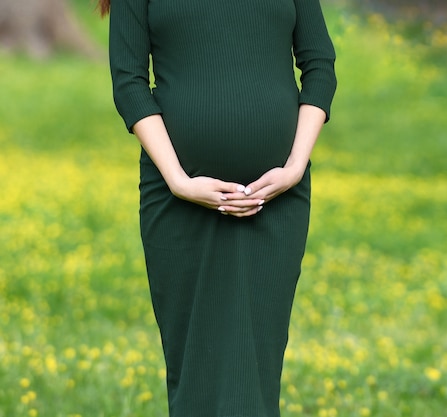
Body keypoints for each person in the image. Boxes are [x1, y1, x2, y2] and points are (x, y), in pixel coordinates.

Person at [99, 0, 337, 416]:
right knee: (195, 361)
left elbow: (319, 66)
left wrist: (295, 166)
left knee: (258, 365)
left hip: (277, 200)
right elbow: (129, 82)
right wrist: (179, 181)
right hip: (178, 201)